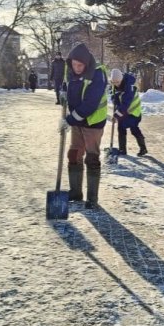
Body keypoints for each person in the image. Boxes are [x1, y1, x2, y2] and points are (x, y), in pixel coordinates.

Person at [58, 43, 108, 209]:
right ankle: (75, 192)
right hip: (77, 121)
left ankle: (92, 198)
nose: (77, 68)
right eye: (74, 64)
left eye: (80, 65)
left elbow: (91, 104)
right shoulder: (70, 70)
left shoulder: (98, 74)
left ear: (86, 63)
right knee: (73, 155)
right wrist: (63, 92)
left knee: (92, 157)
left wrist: (69, 120)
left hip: (93, 122)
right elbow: (67, 83)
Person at [110, 69, 148, 156]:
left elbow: (125, 104)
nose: (116, 84)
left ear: (122, 79)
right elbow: (114, 96)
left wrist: (116, 116)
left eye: (117, 82)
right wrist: (114, 99)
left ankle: (143, 148)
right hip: (125, 112)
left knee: (133, 129)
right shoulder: (115, 85)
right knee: (121, 128)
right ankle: (122, 150)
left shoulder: (129, 88)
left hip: (133, 112)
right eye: (114, 82)